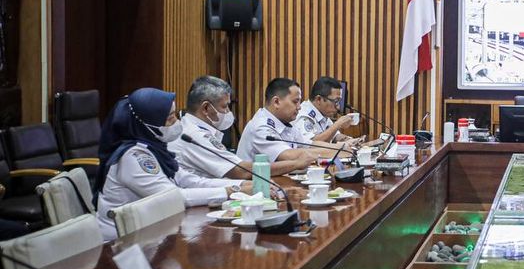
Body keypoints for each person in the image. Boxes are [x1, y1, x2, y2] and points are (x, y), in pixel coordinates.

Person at [93, 88, 251, 241]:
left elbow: (188, 180)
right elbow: (174, 197)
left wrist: (242, 184)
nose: (177, 121)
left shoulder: (155, 148)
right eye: (170, 118)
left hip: (149, 234)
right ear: (147, 124)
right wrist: (231, 191)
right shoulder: (133, 157)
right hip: (118, 246)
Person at [170, 76, 318, 180]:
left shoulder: (197, 130)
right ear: (206, 108)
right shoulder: (193, 135)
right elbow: (240, 170)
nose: (228, 112)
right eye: (225, 106)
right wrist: (295, 164)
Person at [236, 78, 345, 163]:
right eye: (295, 102)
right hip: (253, 188)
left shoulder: (285, 122)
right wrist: (338, 152)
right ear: (276, 102)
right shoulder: (261, 127)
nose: (299, 107)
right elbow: (289, 155)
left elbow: (309, 144)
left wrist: (341, 148)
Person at [295, 76, 362, 144]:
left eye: (339, 101)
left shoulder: (322, 113)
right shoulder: (304, 116)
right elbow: (312, 145)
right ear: (319, 99)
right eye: (335, 101)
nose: (338, 107)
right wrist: (337, 125)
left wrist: (349, 140)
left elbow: (334, 136)